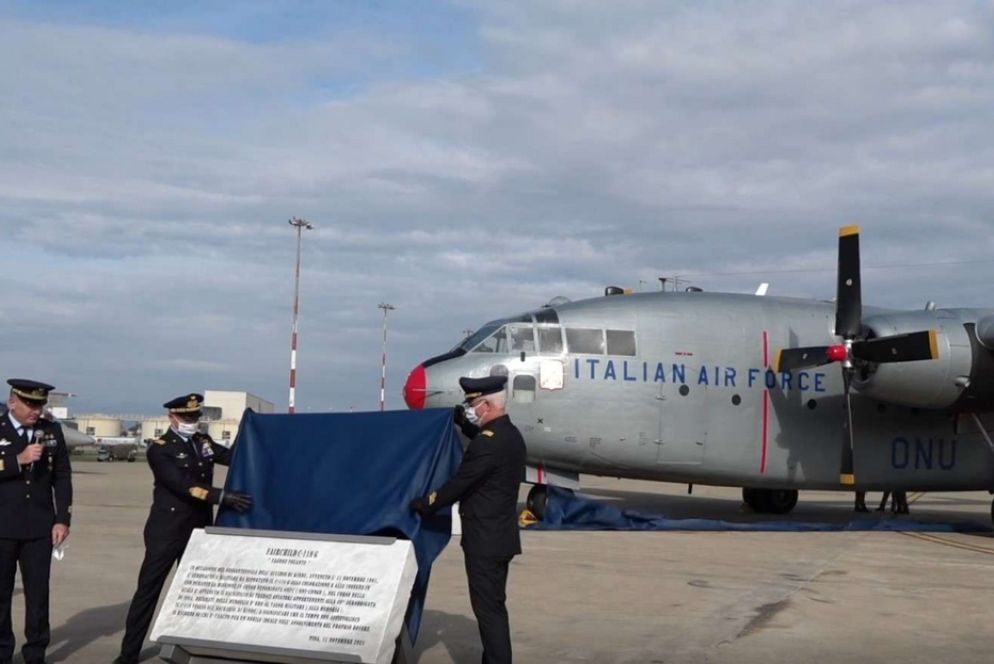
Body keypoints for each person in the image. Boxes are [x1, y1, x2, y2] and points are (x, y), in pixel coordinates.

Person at [113, 394, 252, 664]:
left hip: (198, 529)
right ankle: (128, 653)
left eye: (195, 417)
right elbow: (183, 485)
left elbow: (233, 457)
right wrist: (222, 497)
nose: (192, 422)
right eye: (187, 417)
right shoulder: (160, 448)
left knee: (197, 592)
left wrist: (244, 430)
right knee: (148, 592)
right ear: (172, 418)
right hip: (167, 530)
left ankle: (191, 644)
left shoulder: (204, 442)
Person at [410, 376, 526, 664]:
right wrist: (466, 426)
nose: (471, 408)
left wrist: (427, 504)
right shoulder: (510, 435)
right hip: (500, 537)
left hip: (484, 541)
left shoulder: (489, 443)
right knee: (494, 607)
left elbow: (460, 483)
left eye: (473, 404)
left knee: (488, 610)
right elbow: (489, 450)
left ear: (487, 404)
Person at [0, 378, 72, 664]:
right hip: (3, 526)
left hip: (40, 527)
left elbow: (62, 476)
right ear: (12, 402)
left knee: (38, 594)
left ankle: (36, 653)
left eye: (40, 404)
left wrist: (62, 519)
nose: (36, 410)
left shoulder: (51, 430)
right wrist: (18, 459)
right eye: (30, 403)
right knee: (1, 595)